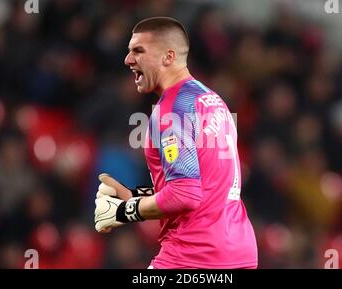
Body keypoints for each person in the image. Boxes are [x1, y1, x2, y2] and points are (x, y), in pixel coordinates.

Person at [94, 16, 258, 269]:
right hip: (238, 251)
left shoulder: (172, 111)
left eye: (139, 51)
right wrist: (135, 196)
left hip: (195, 256)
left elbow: (185, 195)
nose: (128, 60)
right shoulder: (212, 100)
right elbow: (206, 184)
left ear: (168, 57)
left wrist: (126, 210)